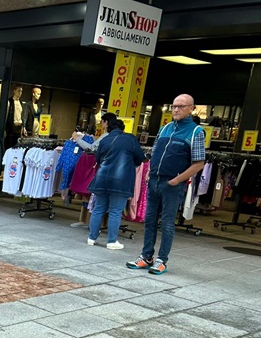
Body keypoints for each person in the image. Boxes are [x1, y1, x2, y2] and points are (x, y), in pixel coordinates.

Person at [126, 94, 205, 274]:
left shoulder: (196, 132)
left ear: (191, 108)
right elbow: (154, 153)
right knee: (149, 221)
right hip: (154, 181)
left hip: (172, 185)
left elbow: (199, 163)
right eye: (174, 106)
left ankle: (162, 260)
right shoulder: (165, 129)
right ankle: (146, 256)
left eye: (181, 106)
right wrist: (148, 173)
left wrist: (176, 180)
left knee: (168, 223)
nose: (176, 110)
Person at [86, 114, 145, 250]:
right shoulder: (130, 139)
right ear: (123, 129)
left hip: (101, 179)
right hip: (121, 181)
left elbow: (98, 159)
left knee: (98, 209)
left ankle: (92, 237)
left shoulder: (105, 140)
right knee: (115, 211)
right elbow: (140, 158)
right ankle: (111, 241)